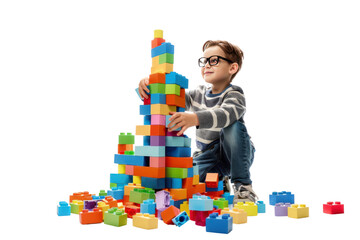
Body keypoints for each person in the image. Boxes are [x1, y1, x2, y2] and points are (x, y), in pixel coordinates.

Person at [138, 40, 257, 203]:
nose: (206, 65)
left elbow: (226, 114)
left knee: (233, 124)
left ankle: (243, 185)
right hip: (208, 156)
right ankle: (218, 181)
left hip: (234, 153)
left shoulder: (234, 93)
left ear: (232, 68)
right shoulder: (198, 94)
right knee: (186, 177)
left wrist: (195, 118)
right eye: (204, 61)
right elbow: (170, 99)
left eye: (213, 60)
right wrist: (150, 85)